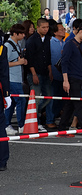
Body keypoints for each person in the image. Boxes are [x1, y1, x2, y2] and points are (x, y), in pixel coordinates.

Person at [57, 22, 82, 136]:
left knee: (71, 104)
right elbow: (64, 63)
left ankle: (62, 129)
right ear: (81, 32)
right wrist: (65, 80)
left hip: (78, 77)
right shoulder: (69, 44)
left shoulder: (81, 45)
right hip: (71, 78)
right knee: (78, 104)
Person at [26, 18, 52, 127]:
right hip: (35, 72)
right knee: (35, 99)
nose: (46, 29)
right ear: (38, 27)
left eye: (47, 27)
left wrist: (50, 71)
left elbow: (48, 56)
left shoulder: (47, 39)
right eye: (43, 27)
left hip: (45, 72)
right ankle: (35, 121)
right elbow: (29, 59)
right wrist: (34, 74)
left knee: (48, 97)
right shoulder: (31, 40)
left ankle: (36, 113)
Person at [3, 24, 26, 134]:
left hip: (17, 78)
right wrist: (19, 62)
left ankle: (7, 124)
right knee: (20, 100)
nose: (23, 35)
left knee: (11, 102)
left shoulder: (17, 44)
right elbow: (4, 63)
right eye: (21, 33)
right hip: (11, 78)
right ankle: (20, 125)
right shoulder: (7, 46)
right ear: (15, 34)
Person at [47, 23, 66, 128]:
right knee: (52, 98)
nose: (63, 31)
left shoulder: (64, 42)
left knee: (61, 99)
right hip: (54, 74)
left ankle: (52, 117)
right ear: (55, 32)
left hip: (63, 76)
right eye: (61, 29)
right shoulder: (50, 43)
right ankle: (49, 119)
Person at [0, 33, 10, 171]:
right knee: (0, 125)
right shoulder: (1, 48)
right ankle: (2, 161)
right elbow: (3, 73)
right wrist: (7, 94)